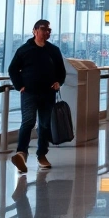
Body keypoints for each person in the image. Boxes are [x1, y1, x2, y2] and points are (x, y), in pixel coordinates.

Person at [8, 19, 66, 173]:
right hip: (29, 93)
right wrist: (19, 86)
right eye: (43, 29)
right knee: (28, 122)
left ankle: (41, 155)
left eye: (49, 30)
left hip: (48, 93)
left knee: (45, 125)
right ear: (34, 30)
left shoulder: (53, 50)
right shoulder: (24, 50)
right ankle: (21, 153)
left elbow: (61, 71)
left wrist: (58, 82)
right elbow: (13, 69)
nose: (46, 32)